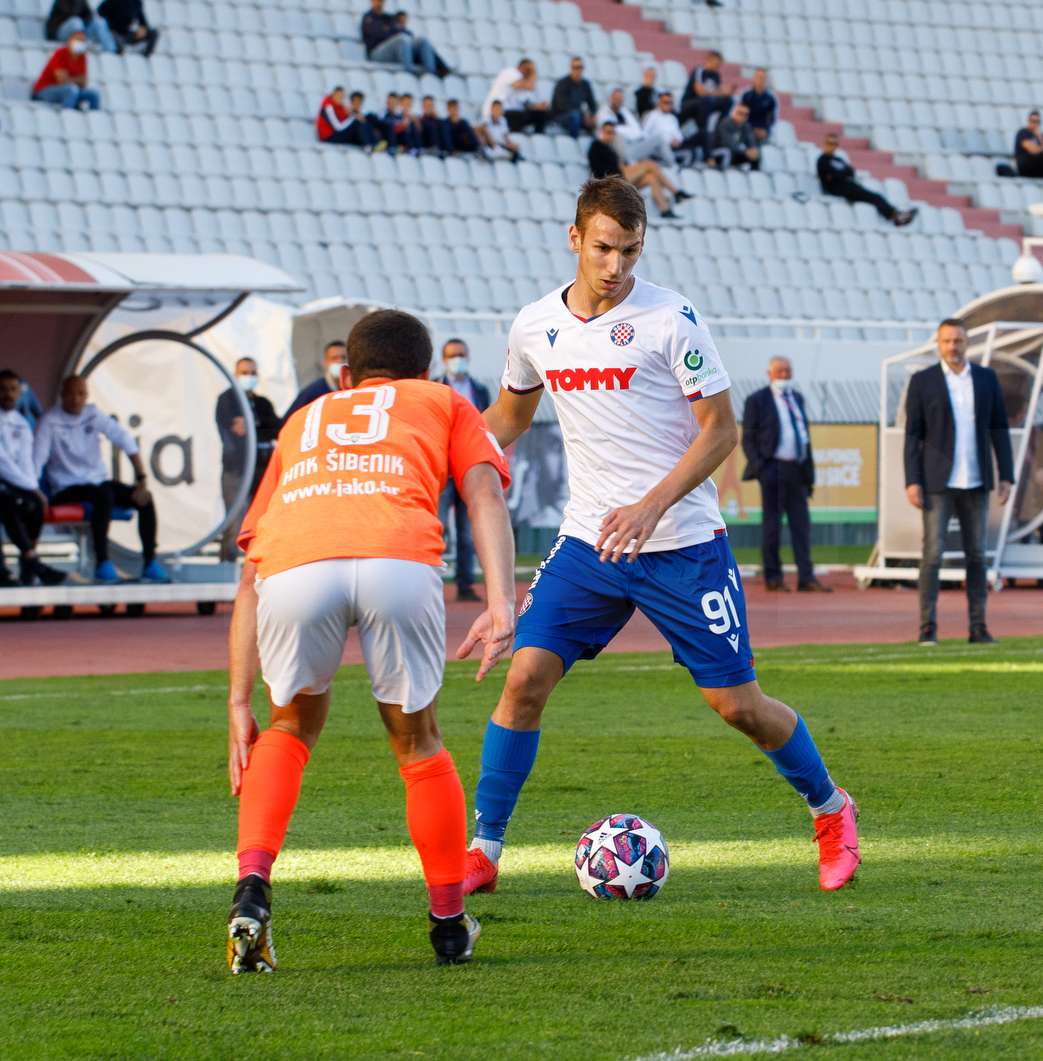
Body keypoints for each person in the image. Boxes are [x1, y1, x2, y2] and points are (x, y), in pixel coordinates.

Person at [457, 176, 861, 899]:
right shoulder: (532, 326)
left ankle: (831, 810)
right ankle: (483, 846)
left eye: (631, 250)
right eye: (604, 248)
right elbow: (509, 418)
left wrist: (649, 505)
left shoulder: (671, 318)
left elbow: (722, 432)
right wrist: (445, 451)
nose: (616, 266)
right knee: (523, 679)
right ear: (574, 238)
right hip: (590, 542)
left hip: (680, 541)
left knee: (737, 706)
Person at [223, 309, 513, 972]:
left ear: (347, 374)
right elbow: (483, 492)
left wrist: (240, 699)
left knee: (289, 724)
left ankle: (251, 889)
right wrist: (501, 602)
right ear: (428, 369)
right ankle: (447, 923)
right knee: (417, 740)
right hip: (397, 558)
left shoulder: (303, 419)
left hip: (295, 567)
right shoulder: (444, 399)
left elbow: (250, 574)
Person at [903, 319, 1014, 646]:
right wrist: (912, 480)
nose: (953, 346)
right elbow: (913, 436)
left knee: (977, 555)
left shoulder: (986, 378)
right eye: (947, 341)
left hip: (976, 481)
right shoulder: (922, 381)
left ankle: (978, 627)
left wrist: (1006, 475)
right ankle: (927, 627)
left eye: (959, 340)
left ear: (968, 343)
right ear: (938, 344)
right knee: (933, 554)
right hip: (937, 482)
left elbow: (1000, 430)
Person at [33, 375, 165, 583]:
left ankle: (150, 562)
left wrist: (142, 479)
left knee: (143, 497)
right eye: (70, 393)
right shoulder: (49, 421)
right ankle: (103, 563)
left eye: (81, 394)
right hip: (66, 487)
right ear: (62, 395)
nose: (76, 399)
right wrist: (34, 490)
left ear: (87, 395)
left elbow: (125, 439)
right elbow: (37, 460)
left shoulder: (92, 414)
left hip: (97, 484)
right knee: (103, 495)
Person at [742, 357, 829, 593]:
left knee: (802, 527)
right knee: (772, 528)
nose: (784, 375)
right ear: (769, 373)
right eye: (779, 371)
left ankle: (806, 577)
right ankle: (773, 577)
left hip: (797, 471)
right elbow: (748, 440)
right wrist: (761, 469)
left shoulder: (797, 398)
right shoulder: (757, 400)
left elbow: (804, 437)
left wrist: (809, 474)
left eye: (788, 370)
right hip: (773, 469)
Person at [436, 339, 491, 603]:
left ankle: (465, 584)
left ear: (468, 356)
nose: (457, 359)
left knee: (467, 531)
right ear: (443, 359)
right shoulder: (434, 388)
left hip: (469, 466)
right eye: (452, 355)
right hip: (442, 468)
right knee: (438, 525)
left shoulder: (479, 390)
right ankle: (432, 581)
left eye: (460, 354)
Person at [0, 370, 66, 587]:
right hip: (5, 483)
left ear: (19, 393)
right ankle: (30, 561)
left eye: (12, 389)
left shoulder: (20, 423)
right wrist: (30, 487)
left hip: (12, 483)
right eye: (2, 390)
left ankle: (29, 562)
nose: (7, 394)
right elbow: (3, 464)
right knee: (9, 503)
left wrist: (33, 488)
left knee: (36, 503)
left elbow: (26, 461)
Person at [215, 357, 281, 563]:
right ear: (235, 375)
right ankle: (224, 577)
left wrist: (254, 423)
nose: (249, 377)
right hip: (237, 470)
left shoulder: (262, 403)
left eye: (252, 373)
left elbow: (277, 427)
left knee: (263, 524)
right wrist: (261, 426)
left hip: (261, 471)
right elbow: (237, 429)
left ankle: (255, 575)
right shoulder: (227, 400)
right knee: (235, 525)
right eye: (244, 373)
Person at [817, 133, 915, 227]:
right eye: (830, 143)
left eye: (834, 143)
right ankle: (894, 217)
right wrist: (840, 174)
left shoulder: (839, 160)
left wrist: (838, 174)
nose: (832, 146)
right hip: (837, 189)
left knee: (876, 196)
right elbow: (833, 177)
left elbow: (850, 172)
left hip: (849, 186)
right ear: (825, 143)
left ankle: (896, 214)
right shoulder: (822, 160)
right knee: (872, 197)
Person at [589, 121, 679, 218]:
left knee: (651, 178)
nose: (611, 135)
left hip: (620, 177)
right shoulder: (596, 147)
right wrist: (615, 168)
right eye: (608, 132)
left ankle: (665, 210)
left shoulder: (610, 148)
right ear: (602, 132)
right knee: (650, 164)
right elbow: (597, 169)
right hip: (613, 178)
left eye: (612, 133)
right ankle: (675, 192)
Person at [361, 0, 448, 77]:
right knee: (401, 39)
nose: (381, 1)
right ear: (372, 0)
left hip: (395, 49)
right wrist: (392, 32)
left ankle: (432, 73)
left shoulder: (388, 17)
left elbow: (406, 32)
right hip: (377, 53)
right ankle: (410, 72)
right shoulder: (368, 18)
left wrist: (389, 31)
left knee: (422, 41)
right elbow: (379, 34)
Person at [32, 31, 100, 112]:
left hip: (69, 90)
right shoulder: (60, 53)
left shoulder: (82, 57)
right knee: (71, 90)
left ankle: (94, 120)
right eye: (78, 40)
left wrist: (70, 79)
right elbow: (62, 81)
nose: (80, 43)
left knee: (94, 94)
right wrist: (77, 80)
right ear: (70, 40)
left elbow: (83, 83)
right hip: (45, 90)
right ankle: (67, 117)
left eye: (82, 41)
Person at [680, 50, 734, 142]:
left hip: (707, 103)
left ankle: (719, 129)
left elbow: (719, 88)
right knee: (707, 100)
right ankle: (703, 130)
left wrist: (727, 91)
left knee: (728, 101)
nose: (718, 67)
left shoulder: (716, 74)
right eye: (717, 64)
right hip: (690, 103)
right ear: (710, 61)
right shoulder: (699, 71)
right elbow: (700, 92)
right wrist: (720, 93)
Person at [483, 59, 549, 134]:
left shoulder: (524, 80)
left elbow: (524, 103)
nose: (529, 72)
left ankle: (538, 137)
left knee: (542, 114)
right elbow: (529, 86)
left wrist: (537, 107)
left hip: (514, 113)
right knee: (522, 116)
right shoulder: (510, 72)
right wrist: (534, 72)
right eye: (528, 70)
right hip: (499, 112)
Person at [287, 341, 348, 417]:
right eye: (334, 358)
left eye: (343, 357)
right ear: (325, 363)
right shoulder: (312, 392)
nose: (340, 361)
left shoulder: (353, 389)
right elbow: (291, 418)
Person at [317, 87, 381, 150]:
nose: (341, 99)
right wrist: (353, 117)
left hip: (339, 135)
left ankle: (375, 143)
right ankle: (370, 145)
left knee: (368, 118)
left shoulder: (340, 107)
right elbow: (338, 127)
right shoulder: (328, 108)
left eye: (342, 97)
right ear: (333, 95)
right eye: (339, 96)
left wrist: (353, 114)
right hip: (329, 137)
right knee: (357, 123)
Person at [46, 0, 115, 50]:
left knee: (100, 22)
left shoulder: (81, 0)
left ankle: (110, 50)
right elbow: (71, 14)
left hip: (80, 30)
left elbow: (89, 16)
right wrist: (77, 0)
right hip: (60, 32)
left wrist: (83, 1)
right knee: (76, 21)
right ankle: (77, 48)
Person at [550, 57, 597, 138]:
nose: (579, 70)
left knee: (600, 118)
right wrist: (583, 114)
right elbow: (562, 106)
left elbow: (592, 104)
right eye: (576, 67)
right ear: (571, 69)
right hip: (561, 117)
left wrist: (593, 115)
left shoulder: (585, 84)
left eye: (581, 67)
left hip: (577, 115)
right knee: (576, 116)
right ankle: (573, 141)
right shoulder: (562, 83)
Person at [711, 102, 760, 170]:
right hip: (718, 151)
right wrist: (745, 152)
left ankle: (755, 176)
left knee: (755, 155)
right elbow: (727, 143)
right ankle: (724, 172)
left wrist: (752, 149)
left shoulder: (746, 126)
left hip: (734, 152)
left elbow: (750, 140)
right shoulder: (726, 123)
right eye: (740, 113)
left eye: (746, 115)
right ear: (734, 113)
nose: (743, 117)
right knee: (727, 152)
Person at [1014, 111, 1043, 184]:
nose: (1035, 124)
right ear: (1028, 121)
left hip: (1038, 167)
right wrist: (1042, 146)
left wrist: (1040, 138)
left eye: (1037, 122)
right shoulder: (1023, 133)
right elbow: (1032, 150)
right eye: (1033, 121)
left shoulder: (1042, 136)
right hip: (1026, 166)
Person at [642, 91, 688, 164]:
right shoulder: (653, 115)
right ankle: (674, 167)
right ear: (659, 103)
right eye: (665, 102)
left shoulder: (673, 118)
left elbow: (678, 134)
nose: (668, 105)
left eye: (670, 103)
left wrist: (677, 140)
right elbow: (645, 134)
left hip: (673, 147)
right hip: (659, 148)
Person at [739, 68, 778, 145]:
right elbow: (740, 114)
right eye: (758, 77)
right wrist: (750, 129)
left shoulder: (770, 99)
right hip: (747, 130)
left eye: (763, 77)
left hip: (763, 132)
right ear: (754, 78)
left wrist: (765, 130)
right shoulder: (746, 95)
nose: (760, 80)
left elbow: (772, 118)